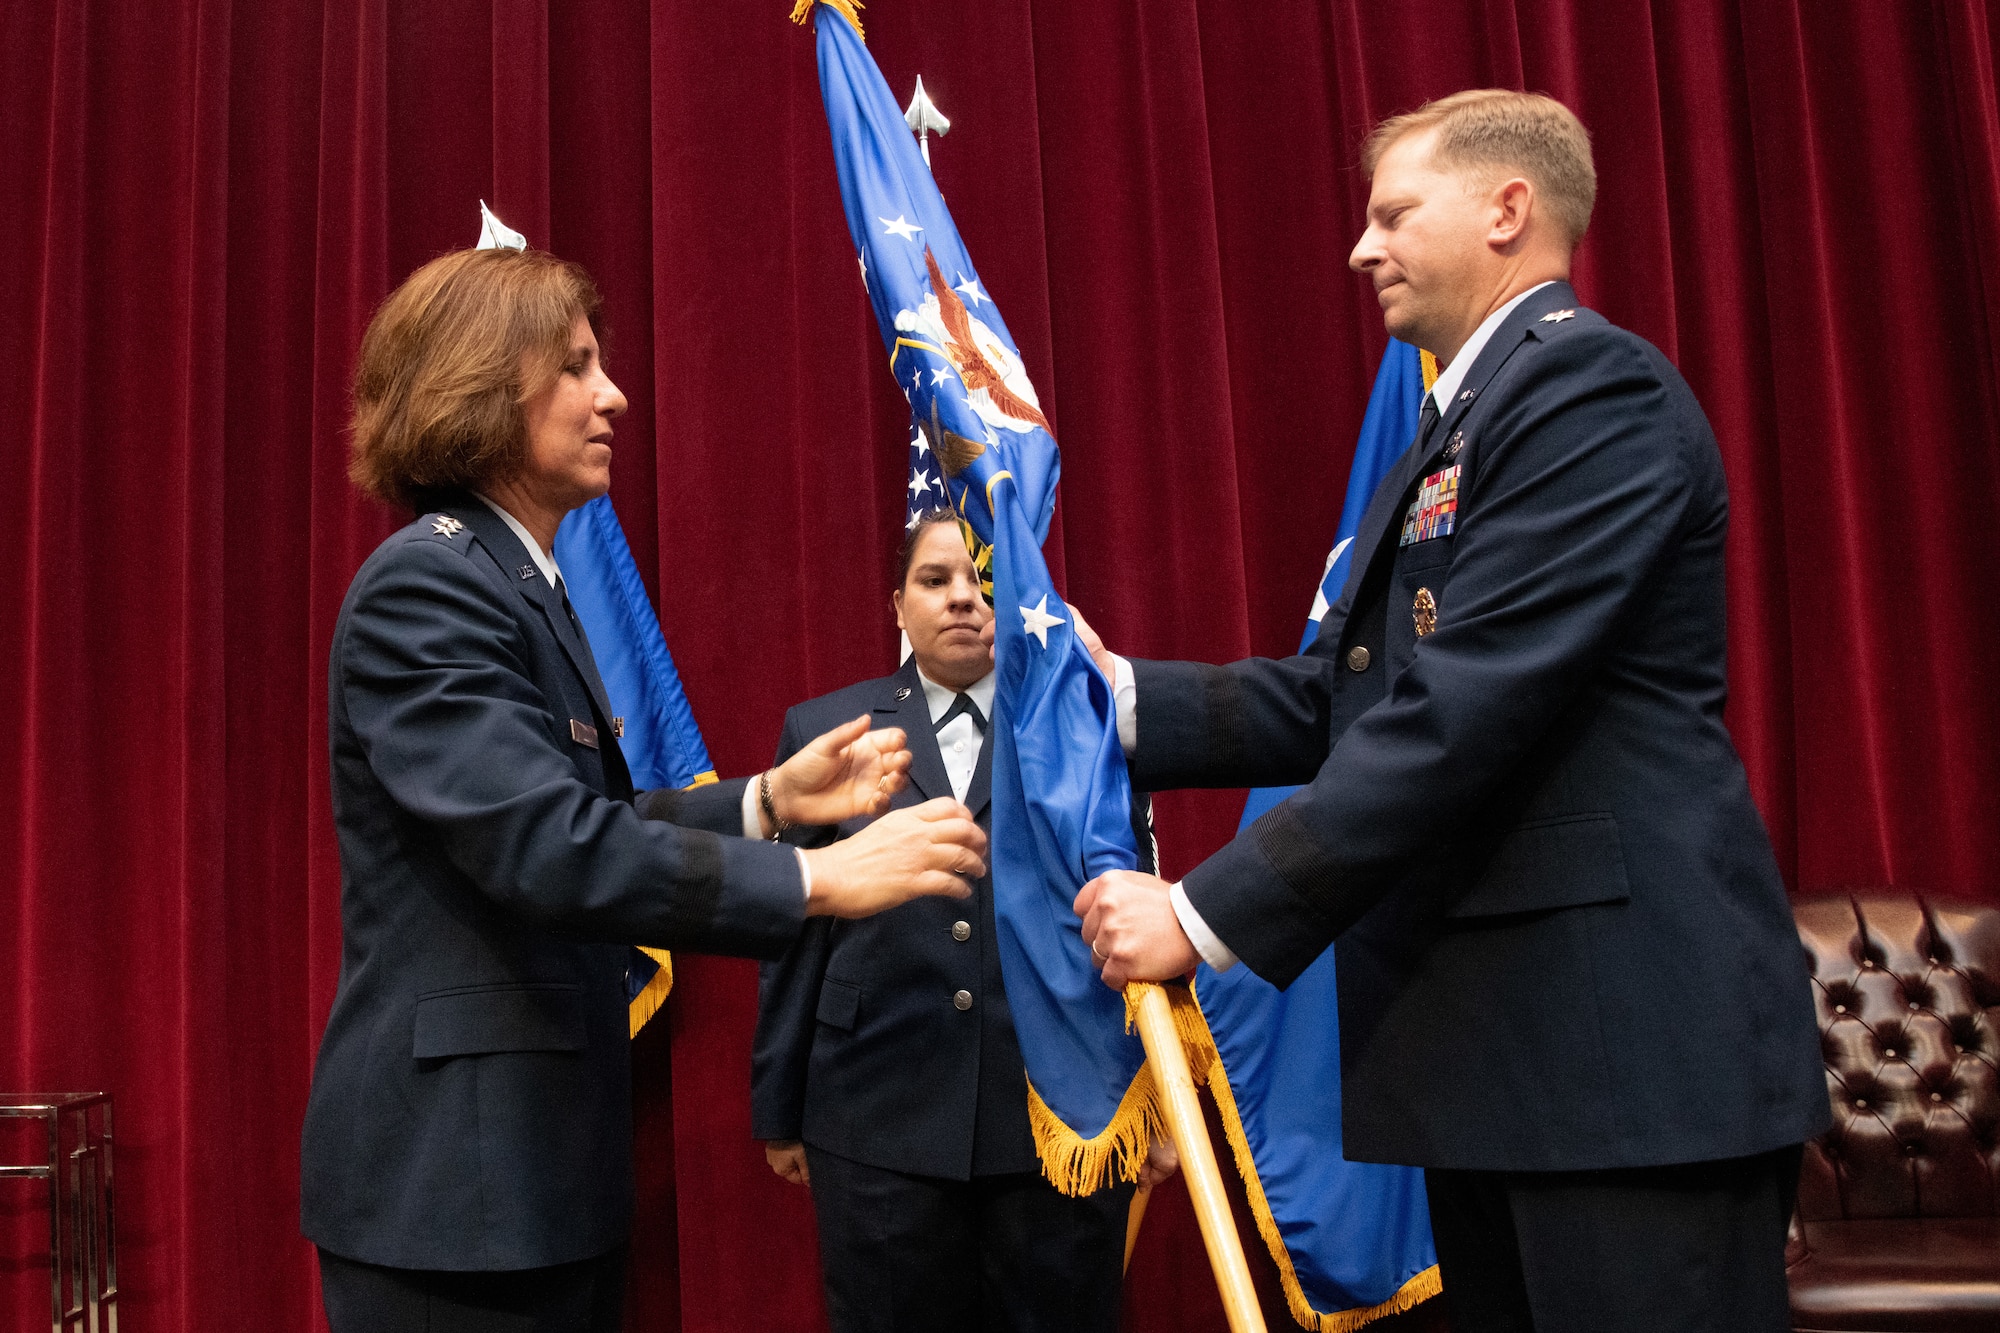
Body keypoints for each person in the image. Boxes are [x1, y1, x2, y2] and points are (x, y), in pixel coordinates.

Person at [1073, 91, 1828, 1332]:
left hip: (1618, 1066)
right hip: (1508, 1067)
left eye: (1390, 214)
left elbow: (1464, 706)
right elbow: (1358, 693)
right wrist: (1116, 701)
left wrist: (1200, 916)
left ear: (1505, 210)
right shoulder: (1463, 417)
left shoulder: (1590, 393)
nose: (1357, 249)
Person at [300, 247, 987, 1333]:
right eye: (575, 367)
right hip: (454, 1198)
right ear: (484, 386)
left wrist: (765, 802)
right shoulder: (427, 583)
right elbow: (545, 844)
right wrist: (814, 878)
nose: (613, 393)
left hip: (525, 1180)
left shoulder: (518, 580)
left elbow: (592, 820)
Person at [752, 509, 1170, 1333]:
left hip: (1058, 1124)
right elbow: (792, 931)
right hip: (876, 1119)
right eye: (935, 580)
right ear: (896, 606)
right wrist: (780, 1104)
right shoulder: (828, 731)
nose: (963, 599)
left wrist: (1151, 1097)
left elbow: (1138, 902)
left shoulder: (1082, 724)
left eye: (983, 580)